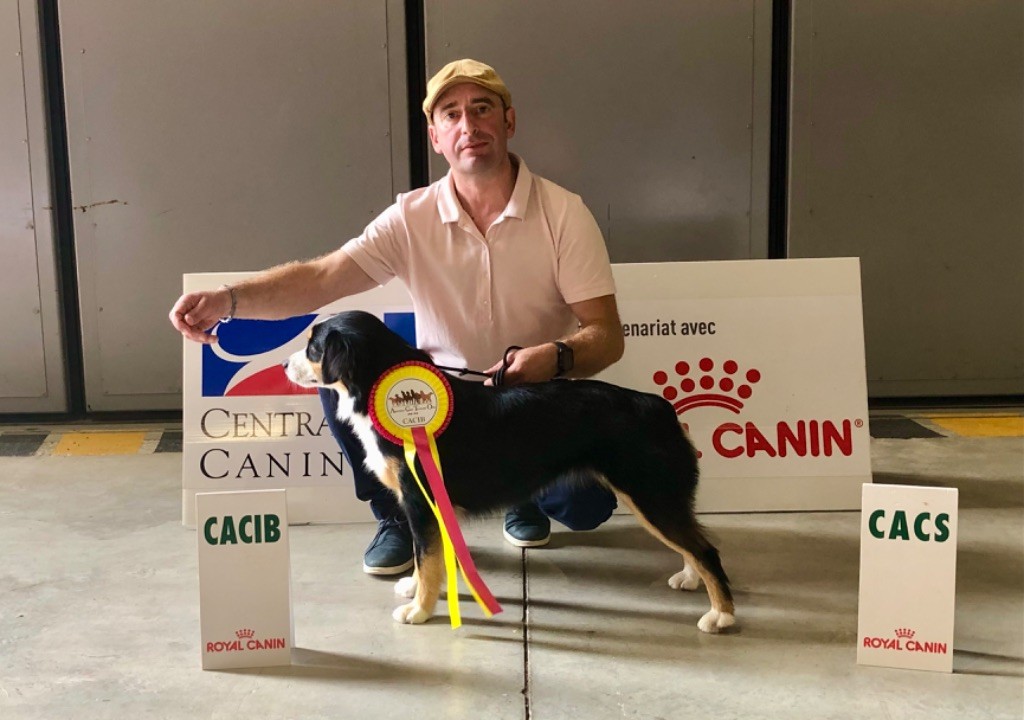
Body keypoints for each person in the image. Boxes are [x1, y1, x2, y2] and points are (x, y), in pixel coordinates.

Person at [169, 58, 625, 576]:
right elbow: (320, 278)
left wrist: (557, 356)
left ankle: (520, 495)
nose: (469, 126)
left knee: (587, 509)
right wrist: (226, 301)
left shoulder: (564, 213)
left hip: (530, 398)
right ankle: (397, 515)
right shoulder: (410, 217)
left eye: (482, 109)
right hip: (435, 401)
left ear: (509, 121)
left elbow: (607, 338)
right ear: (436, 137)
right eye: (451, 114)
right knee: (339, 377)